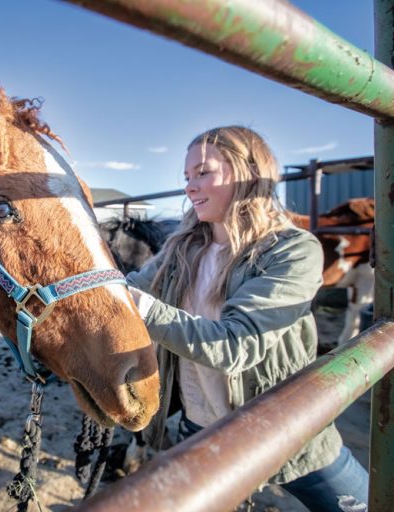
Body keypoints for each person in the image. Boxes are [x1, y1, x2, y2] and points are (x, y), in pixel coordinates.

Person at [127, 126, 369, 512]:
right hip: (199, 426)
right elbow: (126, 289)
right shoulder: (183, 248)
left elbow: (237, 345)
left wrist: (144, 309)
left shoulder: (294, 250)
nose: (190, 186)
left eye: (203, 172)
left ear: (248, 172)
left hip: (284, 430)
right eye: (187, 176)